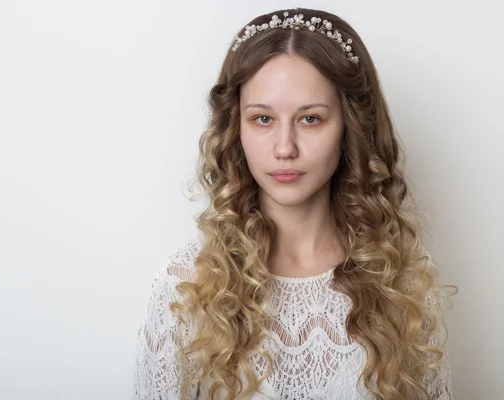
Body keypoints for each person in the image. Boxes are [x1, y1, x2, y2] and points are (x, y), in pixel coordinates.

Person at [132, 7, 458, 400]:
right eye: (263, 119)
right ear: (236, 127)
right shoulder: (186, 288)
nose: (284, 148)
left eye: (310, 119)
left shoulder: (401, 282)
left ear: (349, 126)